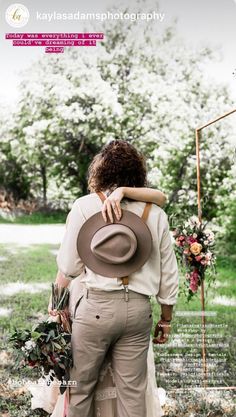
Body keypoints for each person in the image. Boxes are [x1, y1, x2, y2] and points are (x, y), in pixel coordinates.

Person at [49, 140, 179, 417]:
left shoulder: (85, 206)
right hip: (139, 312)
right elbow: (168, 273)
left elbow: (69, 266)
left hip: (95, 308)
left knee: (80, 388)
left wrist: (55, 304)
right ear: (138, 174)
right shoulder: (155, 213)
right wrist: (166, 319)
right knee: (133, 395)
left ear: (101, 171)